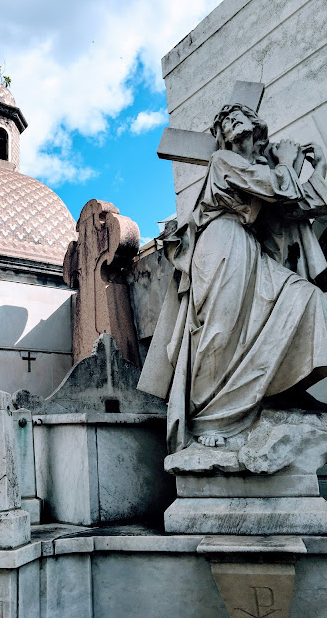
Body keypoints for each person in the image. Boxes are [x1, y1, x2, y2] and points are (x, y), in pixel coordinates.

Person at [138, 103, 327, 454]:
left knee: (308, 299)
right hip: (220, 243)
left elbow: (301, 205)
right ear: (222, 137)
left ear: (256, 127)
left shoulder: (263, 167)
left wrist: (320, 166)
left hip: (254, 252)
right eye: (225, 121)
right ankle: (210, 420)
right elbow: (275, 187)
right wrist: (287, 163)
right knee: (220, 330)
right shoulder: (223, 161)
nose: (232, 121)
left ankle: (280, 392)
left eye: (239, 116)